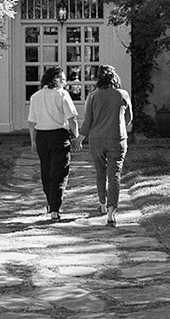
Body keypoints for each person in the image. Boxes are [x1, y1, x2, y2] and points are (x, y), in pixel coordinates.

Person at [81, 66, 133, 226]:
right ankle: (111, 211)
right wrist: (120, 126)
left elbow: (88, 120)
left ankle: (102, 203)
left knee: (100, 172)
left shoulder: (92, 96)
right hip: (117, 138)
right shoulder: (122, 94)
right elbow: (129, 117)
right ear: (114, 77)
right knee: (114, 174)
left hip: (96, 139)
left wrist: (80, 138)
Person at [26, 65, 79, 220]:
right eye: (63, 79)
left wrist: (32, 141)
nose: (65, 82)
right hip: (59, 136)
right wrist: (76, 137)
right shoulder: (62, 95)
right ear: (56, 79)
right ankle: (54, 208)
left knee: (46, 171)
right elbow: (72, 119)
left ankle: (51, 203)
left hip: (42, 136)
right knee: (60, 172)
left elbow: (31, 122)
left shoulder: (35, 96)